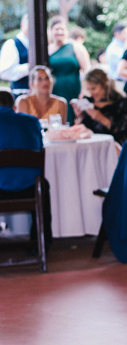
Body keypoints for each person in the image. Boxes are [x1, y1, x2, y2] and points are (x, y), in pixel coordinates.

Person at [0, 90, 51, 249]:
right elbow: (39, 147)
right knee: (43, 183)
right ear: (14, 106)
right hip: (30, 188)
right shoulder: (32, 122)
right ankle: (40, 244)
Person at [72, 67, 127, 144]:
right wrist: (79, 117)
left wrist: (101, 118)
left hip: (114, 147)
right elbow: (79, 132)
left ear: (104, 85)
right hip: (90, 146)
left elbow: (126, 132)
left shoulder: (122, 103)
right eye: (89, 89)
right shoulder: (87, 102)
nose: (91, 93)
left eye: (94, 88)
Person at [47, 15, 91, 124]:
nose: (59, 32)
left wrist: (85, 90)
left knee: (74, 120)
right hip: (54, 92)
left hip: (74, 91)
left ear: (67, 31)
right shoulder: (47, 50)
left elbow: (87, 71)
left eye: (62, 29)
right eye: (57, 29)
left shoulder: (75, 47)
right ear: (51, 31)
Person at [0, 15, 30, 97]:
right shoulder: (11, 44)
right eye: (29, 24)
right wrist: (29, 67)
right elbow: (4, 73)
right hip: (19, 95)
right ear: (22, 25)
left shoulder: (39, 44)